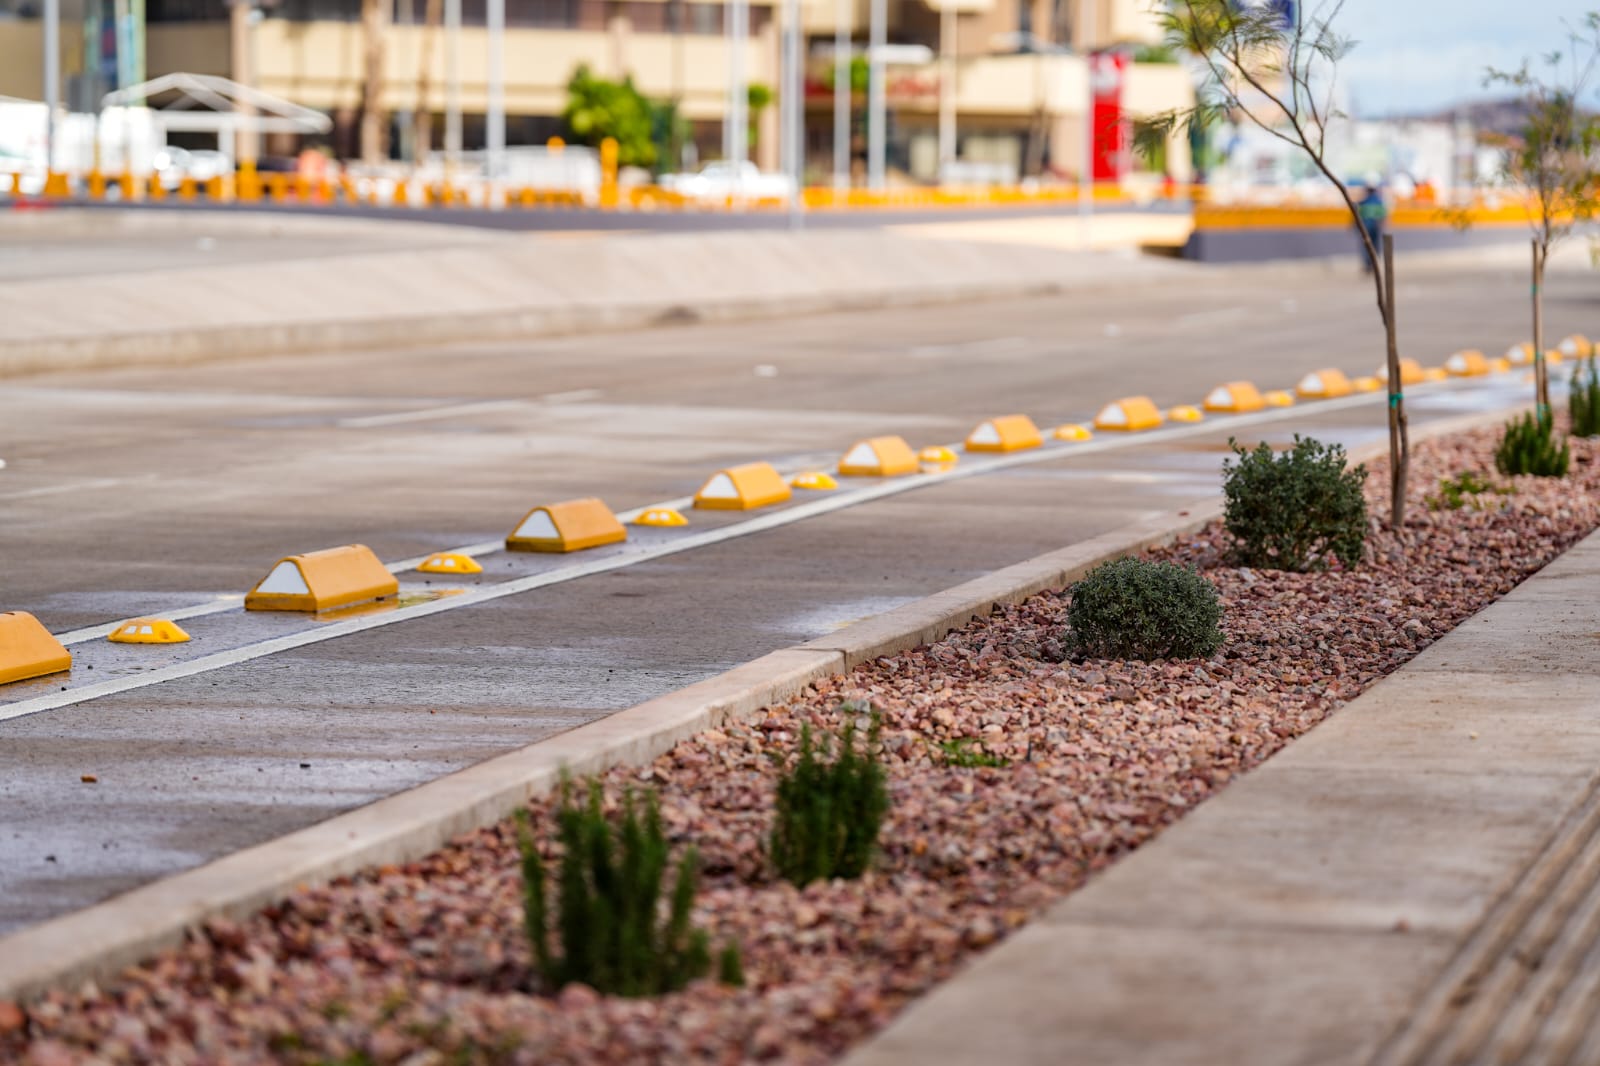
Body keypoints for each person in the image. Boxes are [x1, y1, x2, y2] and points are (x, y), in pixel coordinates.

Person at [1356, 177, 1387, 274]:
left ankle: (1368, 265)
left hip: (1366, 229)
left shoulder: (1363, 202)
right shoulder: (1378, 202)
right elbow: (1382, 216)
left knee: (1367, 246)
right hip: (1374, 228)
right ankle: (1373, 264)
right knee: (1374, 246)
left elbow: (1357, 217)